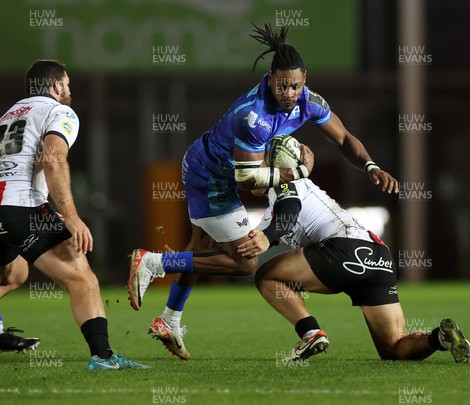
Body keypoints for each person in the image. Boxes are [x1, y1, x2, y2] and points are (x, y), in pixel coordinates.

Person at [127, 23, 399, 360]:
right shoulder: (254, 116)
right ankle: (154, 262)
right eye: (282, 85)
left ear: (304, 80)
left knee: (201, 248)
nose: (289, 93)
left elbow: (343, 138)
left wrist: (371, 166)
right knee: (244, 263)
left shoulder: (308, 101)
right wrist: (297, 171)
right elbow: (247, 180)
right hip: (212, 174)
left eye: (295, 85)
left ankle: (170, 319)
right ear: (270, 80)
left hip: (224, 168)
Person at [0, 60, 148, 370]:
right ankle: (104, 357)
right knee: (82, 278)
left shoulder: (9, 115)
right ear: (56, 87)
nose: (69, 91)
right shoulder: (58, 111)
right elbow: (52, 157)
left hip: (5, 207)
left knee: (12, 274)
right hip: (20, 205)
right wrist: (70, 215)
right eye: (67, 85)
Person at [236, 173, 470, 363]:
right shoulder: (270, 214)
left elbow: (288, 212)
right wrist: (205, 257)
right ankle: (441, 338)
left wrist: (265, 237)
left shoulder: (286, 184)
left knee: (266, 277)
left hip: (343, 250)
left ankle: (311, 332)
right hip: (378, 256)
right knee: (394, 349)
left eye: (251, 169)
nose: (246, 176)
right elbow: (247, 248)